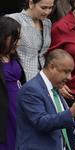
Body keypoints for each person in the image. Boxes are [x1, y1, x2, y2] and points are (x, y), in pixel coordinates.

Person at [15, 49, 75, 150]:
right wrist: (72, 112)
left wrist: (69, 146)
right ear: (52, 67)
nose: (69, 77)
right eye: (66, 72)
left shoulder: (55, 88)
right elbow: (41, 122)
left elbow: (59, 128)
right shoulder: (30, 90)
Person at [6, 0, 54, 81]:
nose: (47, 12)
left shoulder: (47, 23)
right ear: (31, 3)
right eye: (43, 8)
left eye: (50, 7)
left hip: (42, 79)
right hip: (19, 77)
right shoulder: (13, 19)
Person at [0, 17, 26, 150]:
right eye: (15, 39)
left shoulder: (13, 54)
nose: (18, 43)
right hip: (4, 114)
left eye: (19, 38)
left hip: (18, 110)